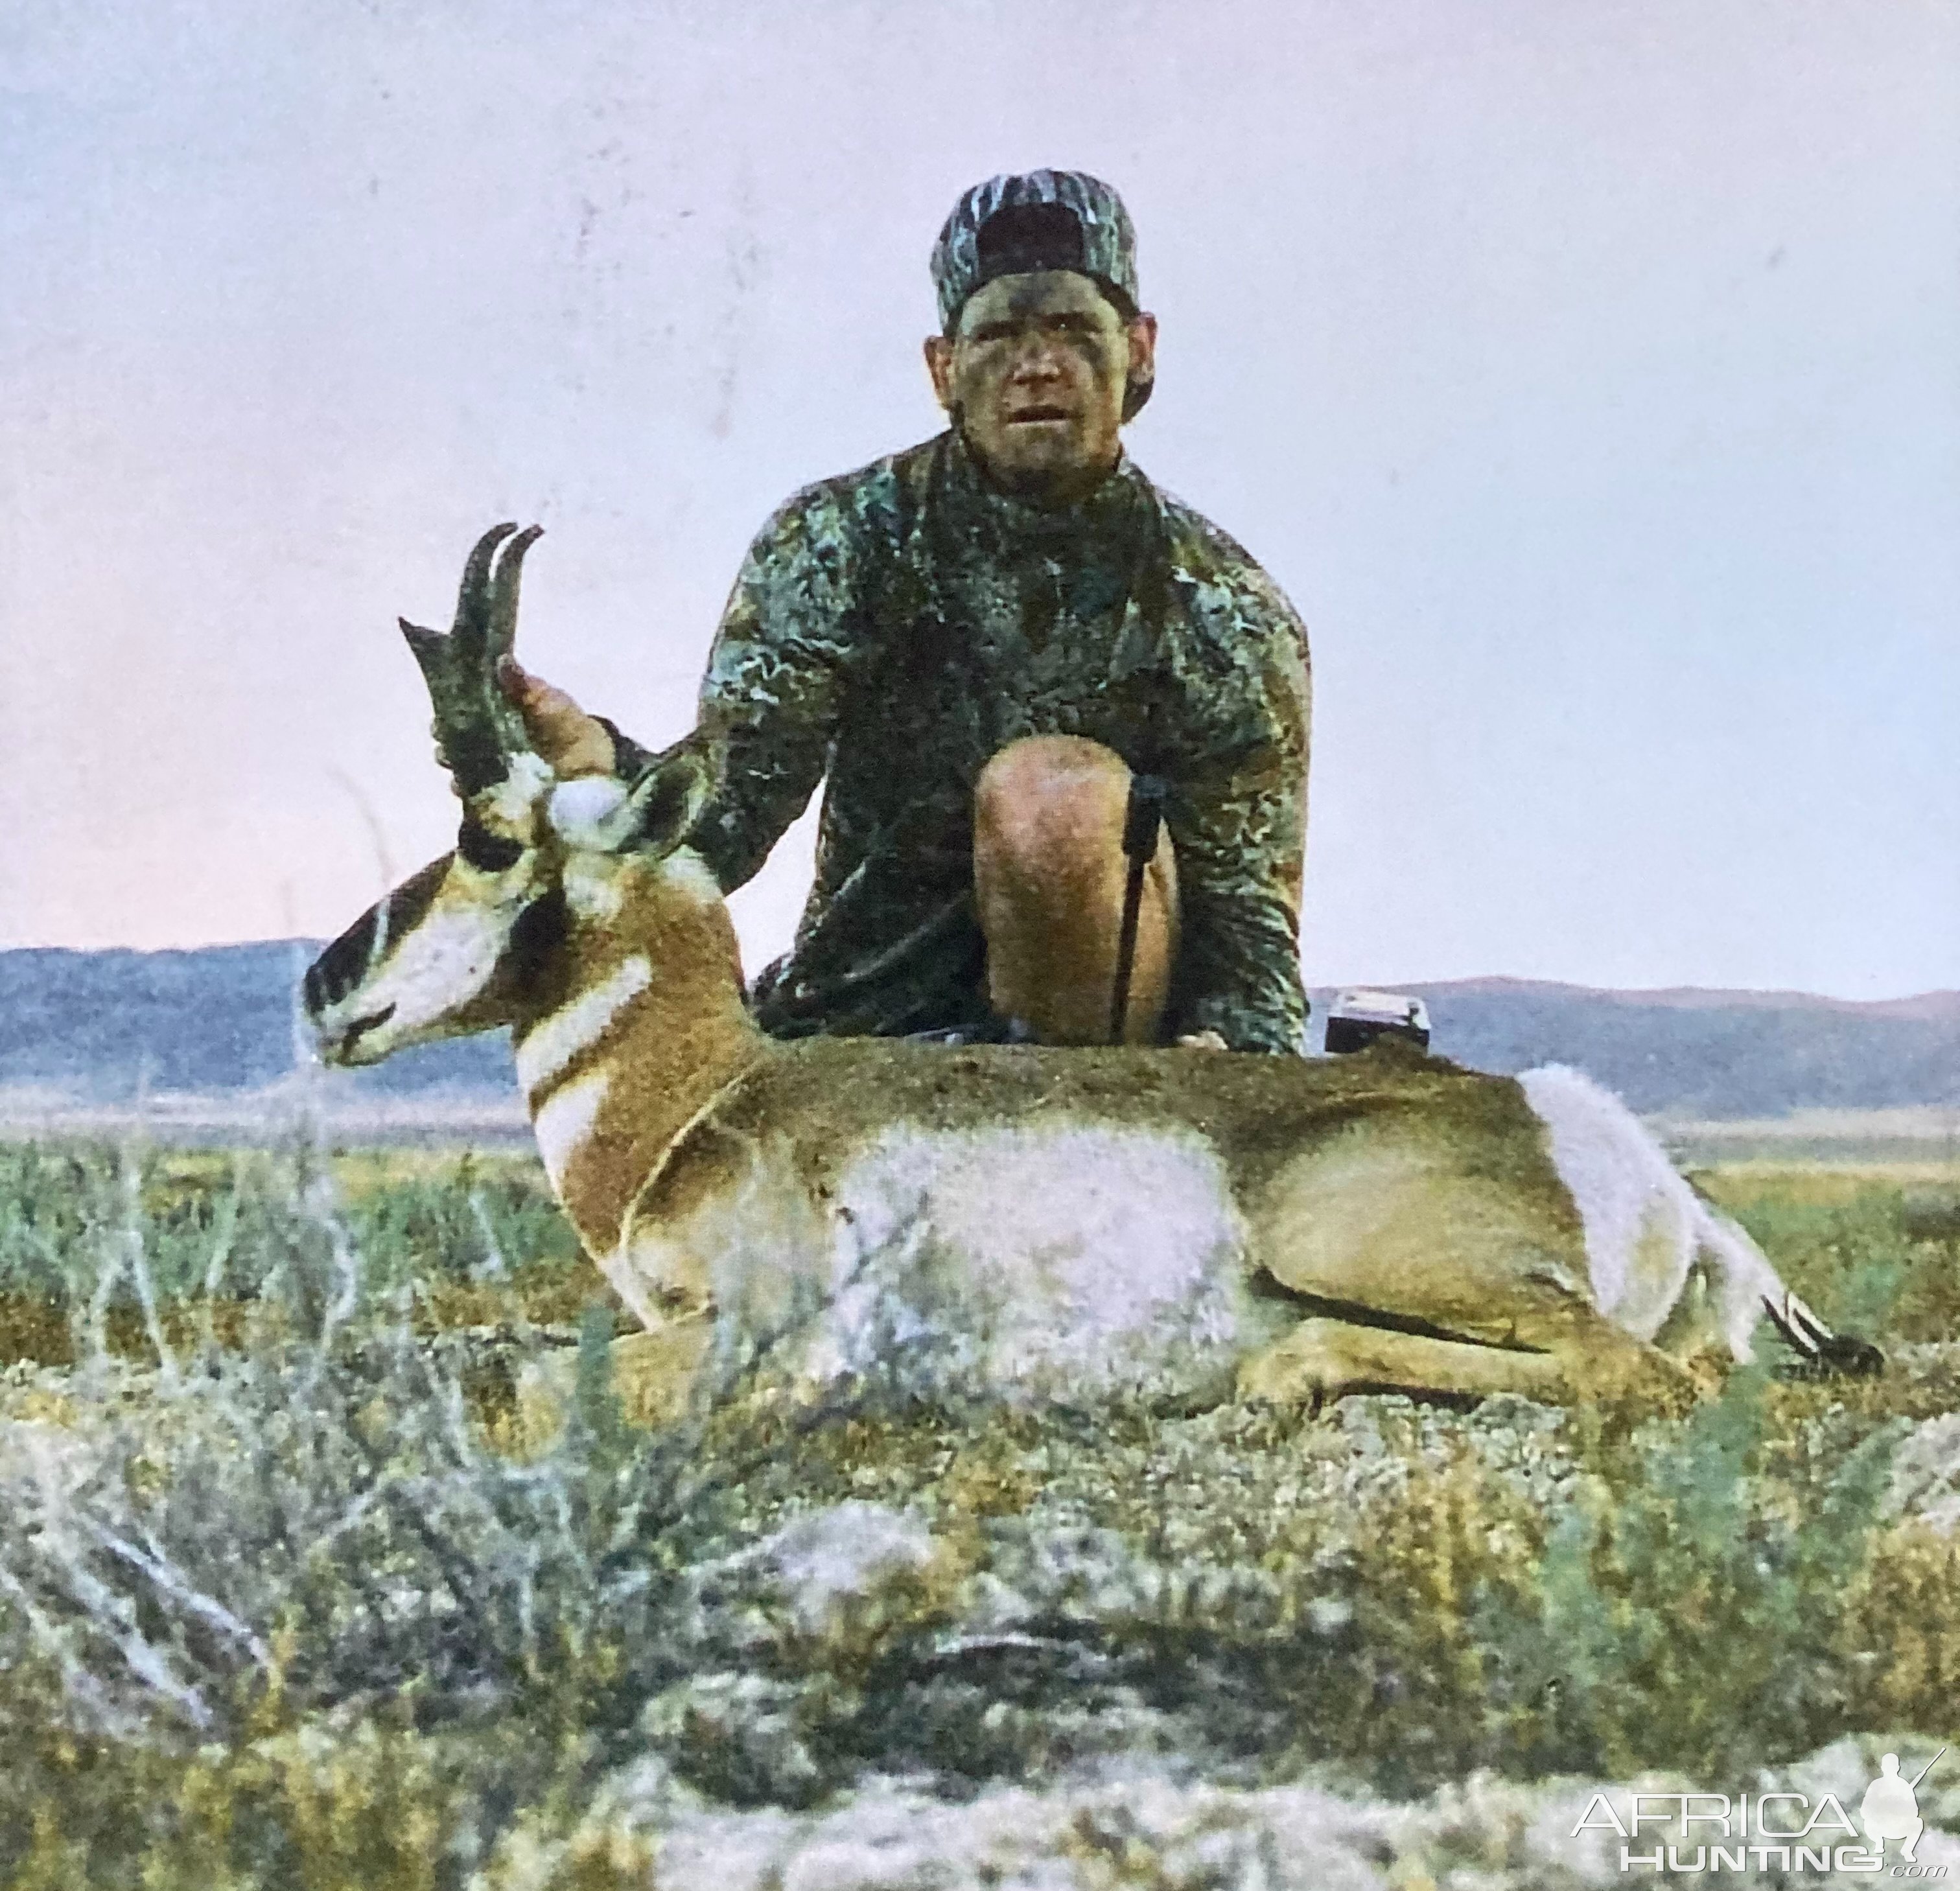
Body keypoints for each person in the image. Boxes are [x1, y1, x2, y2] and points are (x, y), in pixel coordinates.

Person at [507, 169, 1311, 1052]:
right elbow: (726, 818)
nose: (1038, 364)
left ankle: (1064, 1119)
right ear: (943, 368)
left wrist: (1230, 1069)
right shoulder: (836, 544)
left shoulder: (1227, 614)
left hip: (1122, 1070)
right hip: (863, 1032)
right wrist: (598, 773)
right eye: (999, 333)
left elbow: (1251, 939)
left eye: (1075, 330)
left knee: (1056, 801)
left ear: (1141, 349)